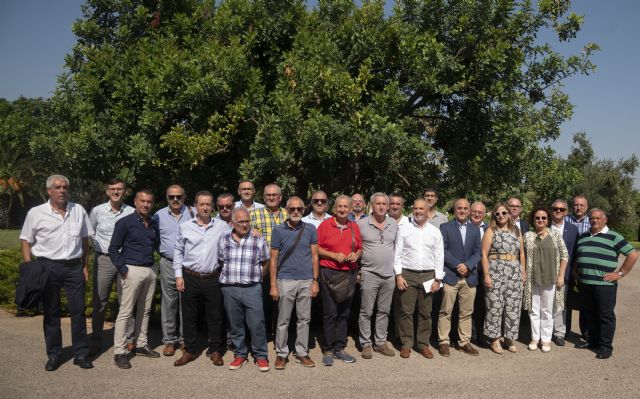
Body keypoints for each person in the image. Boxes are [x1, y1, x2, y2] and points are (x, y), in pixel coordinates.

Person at [20, 174, 94, 371]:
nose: (62, 190)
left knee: (78, 311)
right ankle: (54, 354)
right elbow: (25, 240)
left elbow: (85, 240)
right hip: (47, 267)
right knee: (51, 312)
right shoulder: (36, 213)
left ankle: (81, 353)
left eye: (65, 187)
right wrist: (30, 269)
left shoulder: (78, 210)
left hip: (73, 267)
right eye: (58, 187)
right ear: (49, 191)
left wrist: (84, 265)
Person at [172, 191, 230, 367]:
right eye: (201, 204)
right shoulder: (186, 227)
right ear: (195, 206)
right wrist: (178, 275)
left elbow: (234, 240)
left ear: (213, 207)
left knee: (215, 316)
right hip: (190, 277)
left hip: (213, 278)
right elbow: (178, 251)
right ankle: (190, 350)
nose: (205, 207)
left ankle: (215, 350)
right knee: (189, 316)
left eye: (208, 204)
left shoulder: (222, 226)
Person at [574, 208, 638, 359]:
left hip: (604, 285)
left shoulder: (614, 236)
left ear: (605, 220)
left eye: (597, 218)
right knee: (590, 314)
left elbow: (632, 254)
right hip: (585, 282)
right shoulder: (583, 236)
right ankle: (593, 341)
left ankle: (606, 347)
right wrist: (576, 271)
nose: (594, 220)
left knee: (605, 316)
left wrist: (620, 273)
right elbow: (579, 255)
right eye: (591, 218)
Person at [109, 189, 160, 369]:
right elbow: (113, 249)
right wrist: (123, 270)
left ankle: (141, 344)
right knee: (126, 312)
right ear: (136, 202)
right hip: (131, 270)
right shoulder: (125, 223)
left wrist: (154, 269)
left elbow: (155, 245)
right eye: (142, 201)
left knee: (145, 311)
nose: (145, 204)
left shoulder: (153, 223)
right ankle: (120, 351)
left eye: (149, 201)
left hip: (149, 270)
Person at [269, 196, 320, 369]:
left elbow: (315, 256)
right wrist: (273, 285)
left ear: (303, 210)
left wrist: (315, 281)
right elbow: (273, 259)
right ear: (287, 210)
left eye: (299, 209)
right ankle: (281, 353)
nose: (296, 212)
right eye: (292, 209)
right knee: (283, 319)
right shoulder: (278, 230)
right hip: (285, 280)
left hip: (306, 280)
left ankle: (301, 352)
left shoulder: (311, 229)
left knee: (304, 319)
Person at [219, 208, 271, 371]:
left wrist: (258, 277)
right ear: (233, 223)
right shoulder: (224, 240)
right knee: (235, 324)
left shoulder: (258, 240)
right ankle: (240, 354)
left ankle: (261, 356)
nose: (244, 224)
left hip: (252, 288)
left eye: (247, 221)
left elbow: (266, 261)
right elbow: (221, 262)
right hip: (230, 288)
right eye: (240, 221)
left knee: (257, 324)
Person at [88, 178, 135, 357]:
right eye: (112, 189)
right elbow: (90, 233)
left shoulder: (131, 212)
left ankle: (129, 339)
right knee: (100, 301)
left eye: (119, 189)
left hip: (125, 260)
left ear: (125, 192)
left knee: (127, 301)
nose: (116, 192)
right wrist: (98, 249)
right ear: (107, 191)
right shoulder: (97, 211)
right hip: (105, 260)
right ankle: (96, 340)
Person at [393, 198, 444, 359]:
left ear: (428, 211)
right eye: (415, 208)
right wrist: (398, 275)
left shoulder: (435, 232)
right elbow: (397, 254)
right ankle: (406, 344)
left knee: (425, 312)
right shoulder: (405, 229)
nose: (418, 211)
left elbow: (439, 256)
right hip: (408, 274)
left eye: (421, 208)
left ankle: (423, 344)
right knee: (406, 312)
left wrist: (438, 279)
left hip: (428, 275)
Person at [317, 195, 362, 365]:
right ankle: (328, 349)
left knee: (344, 313)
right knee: (330, 312)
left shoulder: (354, 227)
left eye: (346, 207)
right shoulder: (325, 225)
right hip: (329, 273)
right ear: (334, 209)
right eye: (339, 206)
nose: (342, 209)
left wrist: (356, 254)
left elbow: (360, 248)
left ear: (351, 209)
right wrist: (333, 255)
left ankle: (340, 348)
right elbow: (316, 248)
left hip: (348, 274)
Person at [438, 199, 482, 357]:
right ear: (454, 210)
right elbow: (442, 250)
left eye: (465, 208)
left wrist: (468, 266)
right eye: (459, 208)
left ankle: (464, 342)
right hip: (451, 275)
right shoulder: (445, 227)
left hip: (469, 277)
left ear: (469, 210)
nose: (462, 211)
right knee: (445, 311)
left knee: (466, 312)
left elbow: (478, 252)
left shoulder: (475, 230)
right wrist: (459, 266)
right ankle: (444, 341)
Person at [357, 193, 399, 359]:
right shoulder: (361, 224)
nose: (381, 207)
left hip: (389, 275)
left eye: (384, 204)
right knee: (366, 311)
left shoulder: (393, 224)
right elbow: (356, 248)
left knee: (384, 311)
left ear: (388, 207)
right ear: (372, 206)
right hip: (369, 273)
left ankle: (380, 342)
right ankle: (366, 343)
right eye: (378, 204)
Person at [153, 184, 193, 356]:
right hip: (168, 263)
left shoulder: (193, 213)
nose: (175, 199)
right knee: (169, 302)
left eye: (178, 196)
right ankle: (169, 340)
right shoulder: (158, 216)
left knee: (186, 302)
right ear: (167, 197)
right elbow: (153, 239)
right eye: (171, 197)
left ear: (185, 197)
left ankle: (184, 339)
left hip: (188, 265)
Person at [522, 206, 568, 353]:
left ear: (548, 220)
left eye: (543, 218)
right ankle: (535, 337)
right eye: (537, 218)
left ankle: (546, 339)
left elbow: (564, 255)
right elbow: (522, 256)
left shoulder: (555, 235)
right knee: (534, 310)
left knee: (547, 310)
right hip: (533, 279)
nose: (540, 220)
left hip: (551, 279)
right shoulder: (528, 236)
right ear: (533, 220)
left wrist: (561, 275)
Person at [481, 202, 525, 354]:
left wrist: (523, 273)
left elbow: (522, 254)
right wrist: (486, 275)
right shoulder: (490, 231)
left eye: (504, 213)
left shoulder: (516, 230)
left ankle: (509, 338)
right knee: (495, 306)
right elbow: (484, 255)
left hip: (514, 272)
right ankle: (494, 339)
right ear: (494, 215)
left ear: (509, 214)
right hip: (495, 272)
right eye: (497, 213)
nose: (501, 216)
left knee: (513, 306)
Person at [549, 199, 579, 346]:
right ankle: (545, 332)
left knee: (560, 304)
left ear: (566, 212)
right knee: (545, 304)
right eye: (555, 209)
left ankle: (559, 333)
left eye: (561, 209)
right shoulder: (543, 225)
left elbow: (574, 252)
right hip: (545, 273)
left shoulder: (573, 229)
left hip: (564, 273)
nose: (558, 211)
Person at [565, 194, 591, 341]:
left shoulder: (592, 221)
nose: (578, 207)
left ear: (586, 207)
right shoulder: (565, 219)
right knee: (567, 300)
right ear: (572, 206)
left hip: (583, 267)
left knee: (585, 300)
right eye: (576, 204)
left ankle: (586, 332)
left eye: (581, 205)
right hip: (567, 266)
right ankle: (565, 330)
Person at [469, 201, 488, 345]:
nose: (477, 214)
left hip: (482, 273)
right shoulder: (464, 227)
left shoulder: (488, 229)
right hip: (467, 272)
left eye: (480, 212)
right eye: (474, 211)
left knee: (481, 306)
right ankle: (464, 335)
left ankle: (479, 334)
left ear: (484, 214)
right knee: (465, 306)